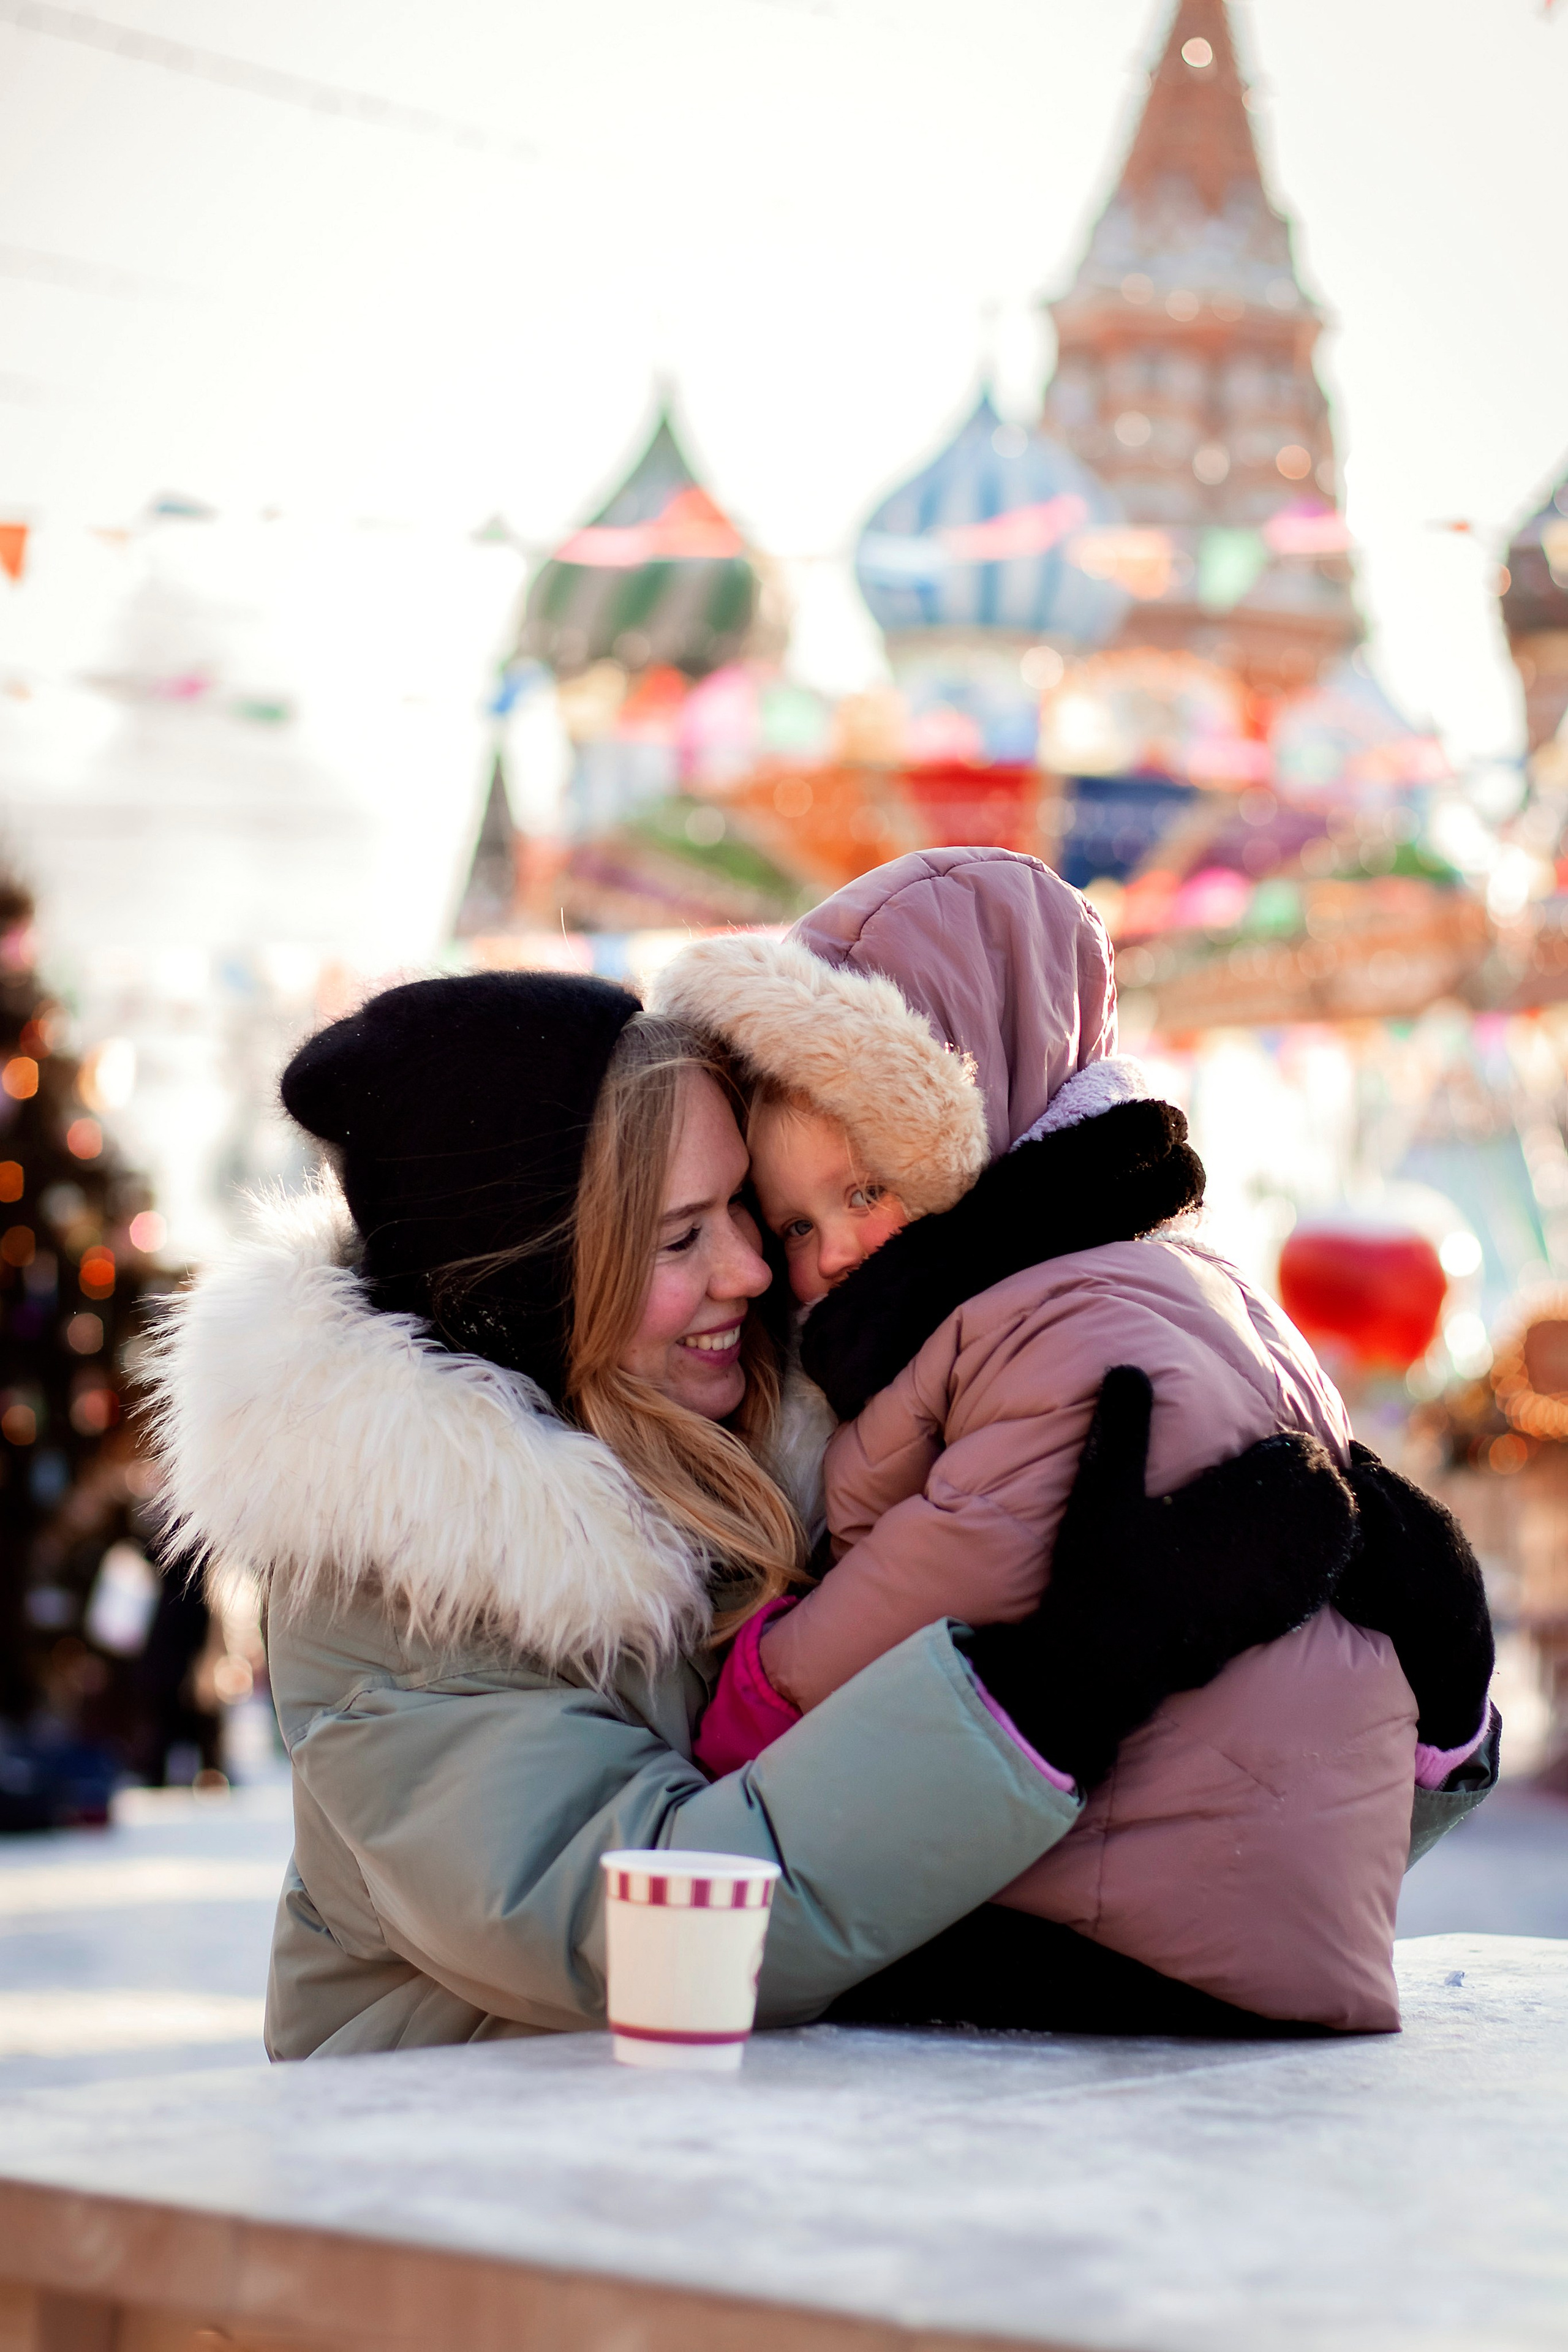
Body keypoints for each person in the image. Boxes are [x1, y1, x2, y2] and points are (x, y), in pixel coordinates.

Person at [149, 970, 1354, 2054]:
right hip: (439, 2186)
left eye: (744, 1208)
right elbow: (648, 1925)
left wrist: (1394, 1655)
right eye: (681, 1237)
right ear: (539, 1289)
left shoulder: (762, 1452)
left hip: (703, 2163)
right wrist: (1056, 1687)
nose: (751, 1270)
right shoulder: (392, 1594)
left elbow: (1234, 1881)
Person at [653, 847, 1498, 2034]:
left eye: (866, 1191)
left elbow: (976, 1556)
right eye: (793, 1225)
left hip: (1117, 1913)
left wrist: (765, 1684)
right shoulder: (1137, 1281)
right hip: (1226, 1885)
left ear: (965, 1125)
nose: (829, 1254)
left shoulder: (1065, 1313)